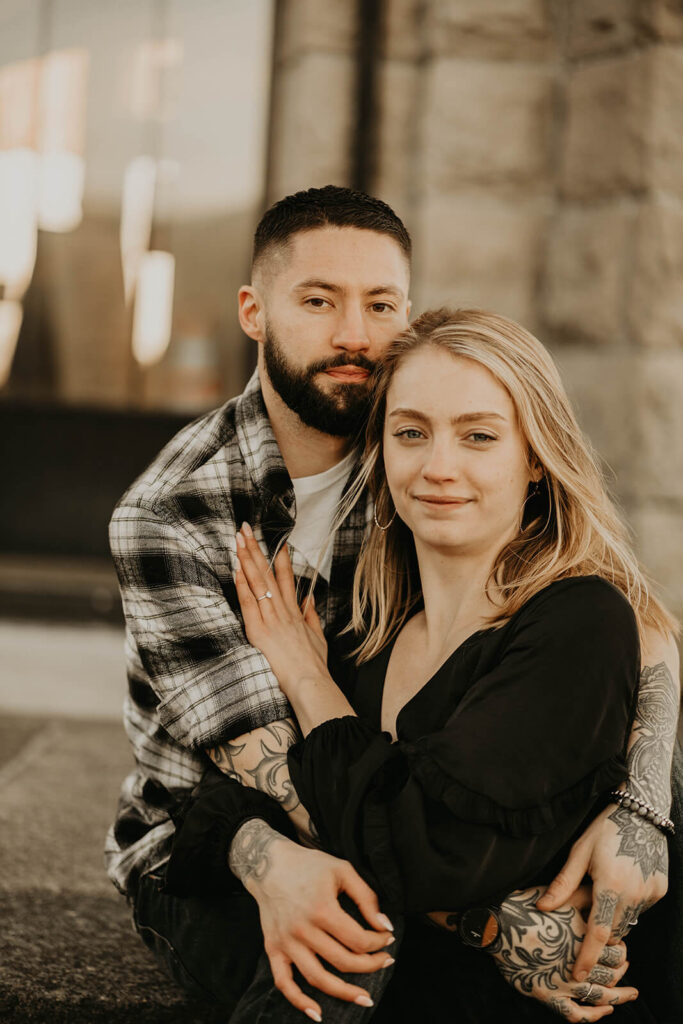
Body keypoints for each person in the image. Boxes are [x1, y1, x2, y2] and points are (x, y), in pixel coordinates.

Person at [105, 187, 681, 1019]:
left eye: (379, 304)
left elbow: (639, 622)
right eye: (317, 301)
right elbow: (261, 764)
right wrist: (495, 923)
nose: (353, 334)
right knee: (359, 928)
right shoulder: (174, 516)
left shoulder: (414, 446)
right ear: (253, 312)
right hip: (217, 835)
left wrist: (642, 808)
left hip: (388, 799)